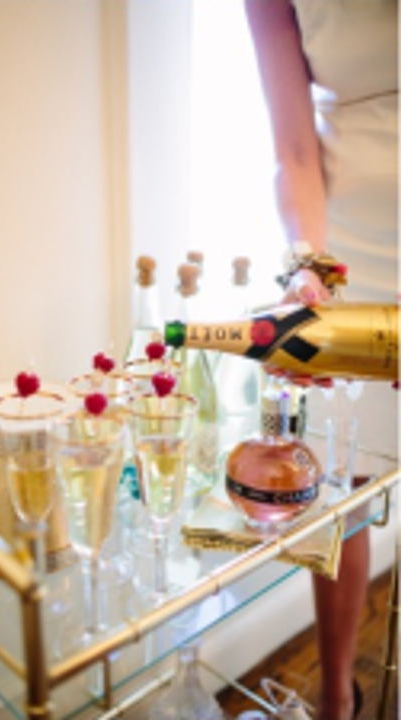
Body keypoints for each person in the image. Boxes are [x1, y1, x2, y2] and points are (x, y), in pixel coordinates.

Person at [245, 2, 398, 720]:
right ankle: (339, 695)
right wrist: (307, 266)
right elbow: (294, 150)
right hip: (350, 252)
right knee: (343, 488)